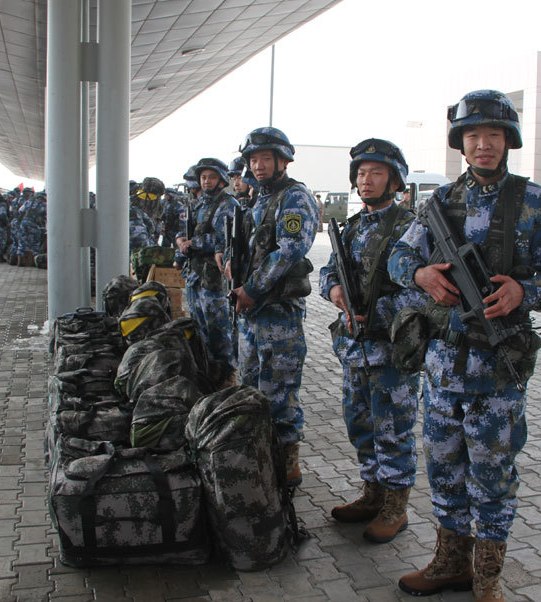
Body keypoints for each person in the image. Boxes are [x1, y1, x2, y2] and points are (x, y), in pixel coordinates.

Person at [390, 90, 541, 602]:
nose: (483, 145)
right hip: (442, 366)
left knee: (493, 474)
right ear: (461, 143)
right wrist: (420, 272)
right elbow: (397, 260)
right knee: (443, 470)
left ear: (508, 141)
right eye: (473, 136)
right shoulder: (438, 204)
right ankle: (449, 562)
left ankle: (487, 577)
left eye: (493, 136)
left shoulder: (538, 203)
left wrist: (526, 291)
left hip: (497, 370)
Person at [319, 139, 422, 543]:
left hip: (392, 350)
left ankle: (396, 507)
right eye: (361, 174)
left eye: (376, 173)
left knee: (392, 427)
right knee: (359, 423)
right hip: (355, 348)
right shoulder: (352, 226)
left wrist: (374, 315)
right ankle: (372, 493)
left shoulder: (411, 227)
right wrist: (335, 294)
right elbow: (329, 272)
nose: (367, 180)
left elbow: (421, 291)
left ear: (394, 180)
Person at [221, 127, 319, 486]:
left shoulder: (295, 198)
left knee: (279, 393)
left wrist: (254, 287)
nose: (258, 166)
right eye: (253, 159)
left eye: (265, 158)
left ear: (283, 160)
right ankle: (260, 458)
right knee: (250, 387)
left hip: (277, 314)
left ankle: (287, 464)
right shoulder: (255, 200)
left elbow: (290, 249)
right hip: (250, 313)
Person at [176, 158, 239, 384]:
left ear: (221, 180)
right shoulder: (198, 204)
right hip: (196, 276)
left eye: (212, 177)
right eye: (203, 177)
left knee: (218, 329)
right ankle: (207, 368)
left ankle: (226, 374)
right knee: (199, 325)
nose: (207, 181)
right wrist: (181, 241)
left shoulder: (228, 204)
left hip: (215, 279)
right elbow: (183, 230)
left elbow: (228, 240)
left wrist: (194, 243)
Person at [16, 190, 46, 266]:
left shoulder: (29, 201)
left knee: (22, 241)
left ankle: (20, 261)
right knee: (35, 243)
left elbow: (20, 210)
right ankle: (34, 261)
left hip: (24, 222)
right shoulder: (43, 204)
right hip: (34, 224)